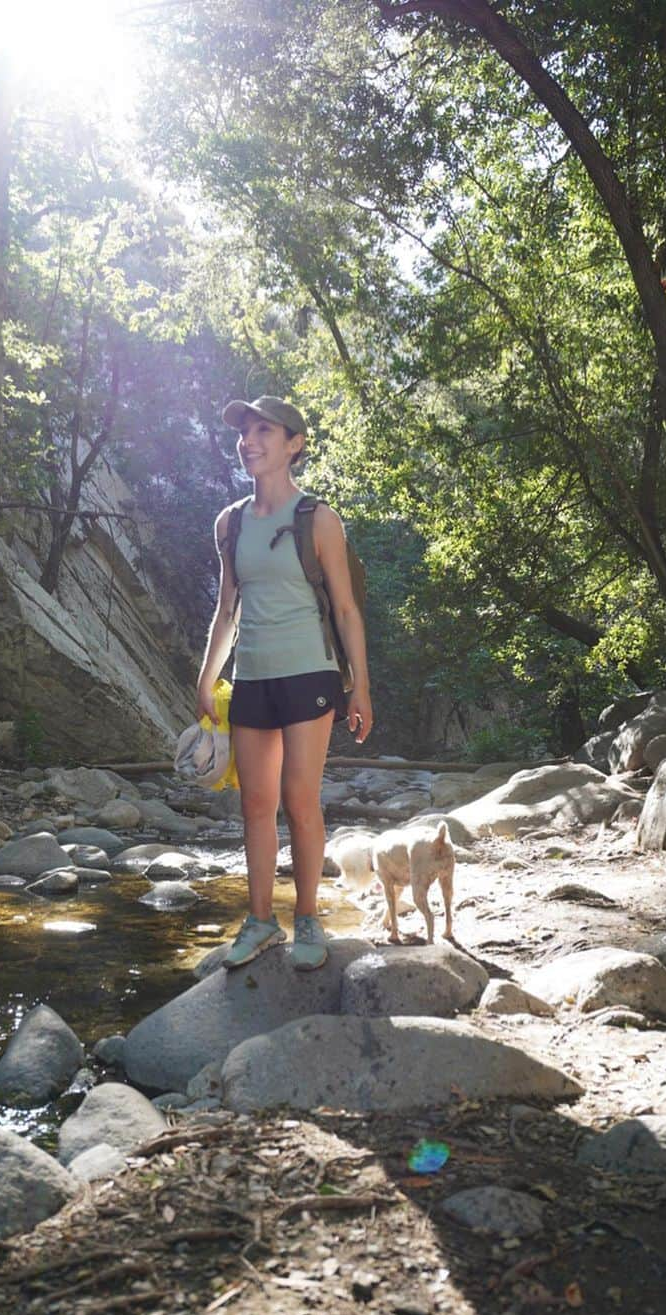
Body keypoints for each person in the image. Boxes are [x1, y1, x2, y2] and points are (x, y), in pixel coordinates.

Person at [196, 395, 373, 972]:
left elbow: (346, 611)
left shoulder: (318, 519)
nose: (249, 440)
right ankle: (259, 921)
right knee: (255, 804)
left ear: (293, 443)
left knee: (300, 801)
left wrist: (361, 688)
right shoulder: (230, 523)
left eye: (262, 430)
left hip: (310, 675)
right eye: (244, 432)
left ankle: (308, 918)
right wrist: (207, 677)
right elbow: (227, 610)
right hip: (253, 677)